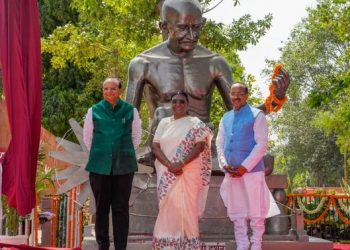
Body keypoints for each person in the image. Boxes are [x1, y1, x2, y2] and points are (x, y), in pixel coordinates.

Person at [126, 0, 290, 136]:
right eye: (183, 28)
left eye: (197, 27)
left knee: (264, 163)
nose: (192, 36)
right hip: (162, 146)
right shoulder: (143, 64)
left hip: (203, 147)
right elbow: (126, 118)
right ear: (163, 26)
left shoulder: (214, 63)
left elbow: (242, 113)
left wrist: (275, 98)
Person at [216, 83, 280, 250]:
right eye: (233, 93)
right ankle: (242, 244)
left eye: (240, 94)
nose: (236, 97)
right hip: (231, 172)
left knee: (255, 211)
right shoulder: (226, 117)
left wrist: (245, 167)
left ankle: (256, 244)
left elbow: (262, 144)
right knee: (237, 212)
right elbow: (219, 143)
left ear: (246, 96)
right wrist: (224, 164)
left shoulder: (257, 115)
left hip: (251, 172)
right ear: (230, 95)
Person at [83, 77, 142, 250]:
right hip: (99, 167)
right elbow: (88, 137)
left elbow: (136, 137)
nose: (109, 91)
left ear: (120, 91)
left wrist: (123, 151)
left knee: (121, 208)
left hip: (124, 166)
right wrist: (102, 152)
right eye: (106, 88)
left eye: (113, 88)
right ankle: (103, 245)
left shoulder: (131, 111)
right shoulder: (94, 110)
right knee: (101, 208)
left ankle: (120, 247)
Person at [151, 91, 213, 249]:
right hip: (166, 171)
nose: (178, 104)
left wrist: (182, 163)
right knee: (167, 207)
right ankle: (167, 244)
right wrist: (169, 164)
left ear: (187, 105)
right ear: (170, 104)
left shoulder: (195, 122)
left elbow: (200, 146)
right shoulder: (164, 122)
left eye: (181, 102)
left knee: (188, 208)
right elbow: (155, 146)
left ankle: (189, 243)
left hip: (189, 171)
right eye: (175, 102)